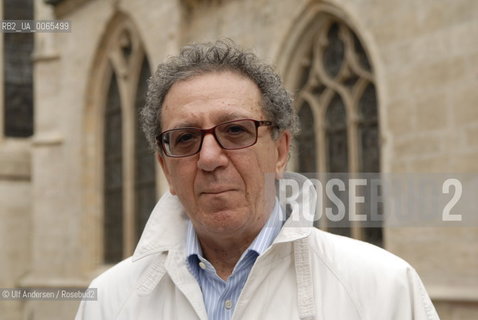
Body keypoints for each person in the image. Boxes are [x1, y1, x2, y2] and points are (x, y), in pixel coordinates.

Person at [76, 40, 439, 320]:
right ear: (165, 168)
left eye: (235, 130)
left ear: (280, 151)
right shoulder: (109, 301)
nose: (209, 158)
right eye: (185, 138)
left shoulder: (384, 288)